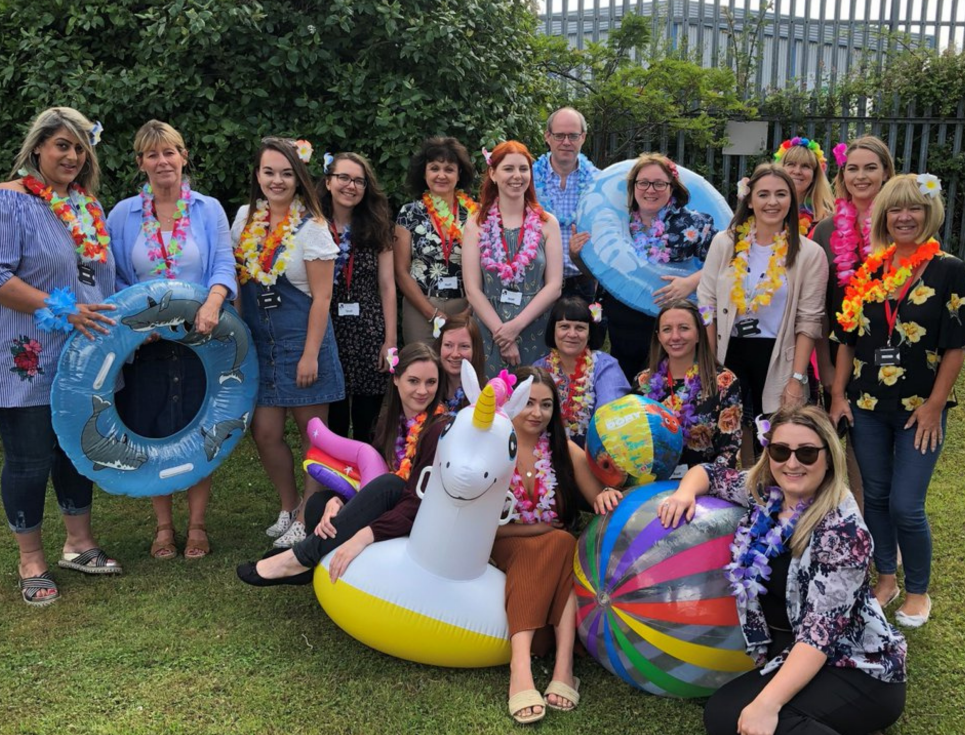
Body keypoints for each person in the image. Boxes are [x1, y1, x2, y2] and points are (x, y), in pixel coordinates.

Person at [659, 406, 907, 735]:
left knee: (732, 716)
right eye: (780, 451)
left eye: (806, 453)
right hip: (790, 650)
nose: (791, 463)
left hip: (855, 666)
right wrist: (684, 493)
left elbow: (819, 636)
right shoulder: (767, 493)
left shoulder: (843, 532)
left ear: (829, 456)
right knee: (725, 712)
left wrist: (767, 705)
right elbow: (710, 472)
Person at [0, 107, 122, 605]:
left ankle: (79, 543)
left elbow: (101, 278)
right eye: (61, 146)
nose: (72, 156)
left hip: (81, 354)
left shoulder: (86, 206)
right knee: (29, 459)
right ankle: (31, 560)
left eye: (79, 147)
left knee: (76, 450)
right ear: (37, 149)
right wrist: (62, 310)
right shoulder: (10, 202)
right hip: (26, 355)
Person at [830, 173, 964, 628]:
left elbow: (956, 344)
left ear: (930, 215)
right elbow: (847, 338)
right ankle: (885, 578)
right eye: (896, 209)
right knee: (877, 499)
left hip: (918, 411)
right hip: (865, 406)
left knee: (906, 504)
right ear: (884, 215)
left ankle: (918, 591)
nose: (904, 217)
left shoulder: (949, 269)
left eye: (915, 209)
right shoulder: (870, 270)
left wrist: (934, 404)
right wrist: (837, 395)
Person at [107, 120, 235, 560]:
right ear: (140, 163)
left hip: (201, 340)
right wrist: (138, 327)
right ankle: (163, 528)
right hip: (146, 344)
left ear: (183, 157)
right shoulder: (123, 214)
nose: (163, 162)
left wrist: (214, 303)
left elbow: (222, 263)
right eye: (152, 154)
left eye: (170, 152)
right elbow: (118, 278)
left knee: (198, 427)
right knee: (151, 427)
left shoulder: (207, 208)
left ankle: (197, 526)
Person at [236, 343, 447, 586]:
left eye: (431, 382)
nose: (423, 391)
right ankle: (310, 568)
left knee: (390, 483)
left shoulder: (438, 430)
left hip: (418, 519)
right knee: (319, 504)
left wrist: (363, 536)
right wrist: (340, 501)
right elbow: (368, 476)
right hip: (387, 505)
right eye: (414, 381)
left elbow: (414, 501)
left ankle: (300, 558)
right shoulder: (390, 423)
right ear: (397, 380)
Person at [232, 137, 344, 548]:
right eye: (268, 172)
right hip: (261, 342)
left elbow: (323, 298)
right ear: (257, 175)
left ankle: (308, 513)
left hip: (302, 340)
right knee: (264, 431)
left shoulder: (313, 228)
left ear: (299, 179)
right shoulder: (245, 217)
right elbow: (239, 284)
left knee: (314, 435)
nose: (276, 181)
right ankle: (288, 503)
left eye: (285, 173)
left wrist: (311, 353)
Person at [499, 367, 623, 724]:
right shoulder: (491, 444)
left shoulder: (560, 448)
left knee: (560, 544)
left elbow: (597, 495)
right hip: (501, 545)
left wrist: (609, 496)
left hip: (553, 549)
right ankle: (528, 666)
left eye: (546, 405)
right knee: (559, 541)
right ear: (510, 401)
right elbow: (482, 530)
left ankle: (560, 666)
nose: (537, 413)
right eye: (528, 403)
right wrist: (534, 528)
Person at [698, 164, 827, 464]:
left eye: (781, 194)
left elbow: (809, 321)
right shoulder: (725, 243)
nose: (772, 202)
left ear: (791, 201)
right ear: (750, 199)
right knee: (731, 429)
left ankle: (772, 496)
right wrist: (711, 358)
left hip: (778, 353)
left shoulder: (809, 253)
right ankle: (741, 492)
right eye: (764, 194)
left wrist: (797, 378)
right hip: (729, 349)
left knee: (775, 433)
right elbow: (706, 301)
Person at [575, 153, 717, 381]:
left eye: (659, 183)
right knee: (627, 381)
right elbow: (603, 274)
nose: (650, 190)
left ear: (672, 187)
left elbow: (727, 262)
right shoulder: (616, 224)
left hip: (671, 322)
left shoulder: (695, 223)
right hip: (624, 323)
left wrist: (690, 281)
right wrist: (577, 255)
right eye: (643, 183)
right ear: (633, 187)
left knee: (671, 383)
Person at [813, 135, 895, 511]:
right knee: (833, 445)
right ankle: (839, 522)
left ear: (885, 173)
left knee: (876, 450)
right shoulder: (826, 231)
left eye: (870, 168)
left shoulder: (903, 222)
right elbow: (814, 305)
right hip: (836, 349)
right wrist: (825, 366)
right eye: (853, 169)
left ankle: (877, 524)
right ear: (842, 175)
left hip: (891, 353)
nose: (860, 176)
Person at [463, 141, 564, 376]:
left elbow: (554, 286)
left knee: (533, 397)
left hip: (535, 325)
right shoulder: (476, 223)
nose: (517, 176)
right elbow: (472, 289)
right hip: (490, 328)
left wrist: (515, 327)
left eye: (523, 169)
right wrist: (503, 335)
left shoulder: (547, 223)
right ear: (493, 173)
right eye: (508, 169)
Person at [319, 152, 396, 444]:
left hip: (369, 332)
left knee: (368, 423)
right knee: (333, 421)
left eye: (359, 181)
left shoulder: (377, 226)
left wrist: (390, 341)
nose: (351, 186)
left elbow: (388, 285)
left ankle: (368, 485)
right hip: (327, 330)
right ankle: (333, 487)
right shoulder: (311, 226)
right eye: (344, 178)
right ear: (328, 182)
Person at [633, 300, 742, 470]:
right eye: (667, 329)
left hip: (704, 486)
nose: (675, 336)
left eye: (684, 328)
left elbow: (730, 451)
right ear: (659, 337)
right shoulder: (644, 382)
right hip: (652, 483)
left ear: (699, 334)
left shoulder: (724, 382)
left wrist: (701, 482)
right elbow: (632, 439)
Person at [394, 136, 477, 344]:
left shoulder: (476, 214)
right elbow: (401, 270)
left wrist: (471, 309)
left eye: (449, 169)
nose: (441, 175)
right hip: (421, 307)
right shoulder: (409, 213)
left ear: (459, 175)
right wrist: (432, 313)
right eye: (434, 168)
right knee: (421, 368)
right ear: (424, 173)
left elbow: (485, 266)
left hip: (466, 306)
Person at [533, 296, 630, 447]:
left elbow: (610, 414)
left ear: (589, 333)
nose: (572, 334)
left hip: (596, 453)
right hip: (548, 454)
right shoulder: (540, 368)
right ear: (553, 330)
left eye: (580, 328)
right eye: (564, 326)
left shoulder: (604, 366)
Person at [531, 107, 599, 302]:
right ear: (547, 137)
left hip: (582, 279)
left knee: (582, 333)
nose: (566, 142)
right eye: (559, 135)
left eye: (573, 136)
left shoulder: (598, 183)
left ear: (583, 137)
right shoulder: (527, 180)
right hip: (538, 281)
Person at [772, 136, 834, 236]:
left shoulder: (826, 220)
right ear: (779, 170)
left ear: (814, 175)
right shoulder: (765, 211)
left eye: (805, 166)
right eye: (791, 164)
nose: (797, 171)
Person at [433, 313, 485, 414]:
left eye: (464, 346)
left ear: (475, 350)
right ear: (440, 347)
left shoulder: (485, 397)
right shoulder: (427, 391)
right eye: (448, 345)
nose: (455, 354)